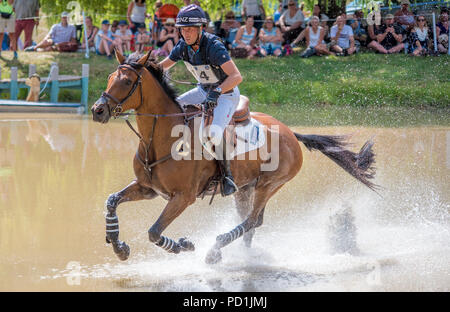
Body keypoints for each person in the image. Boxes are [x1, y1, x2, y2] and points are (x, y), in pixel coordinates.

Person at [159, 4, 243, 195]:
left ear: (200, 29)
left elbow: (237, 77)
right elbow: (162, 67)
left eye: (189, 30)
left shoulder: (214, 46)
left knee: (212, 134)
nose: (185, 34)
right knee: (172, 111)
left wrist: (218, 91)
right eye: (182, 30)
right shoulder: (182, 46)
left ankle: (227, 176)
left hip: (226, 94)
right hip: (202, 90)